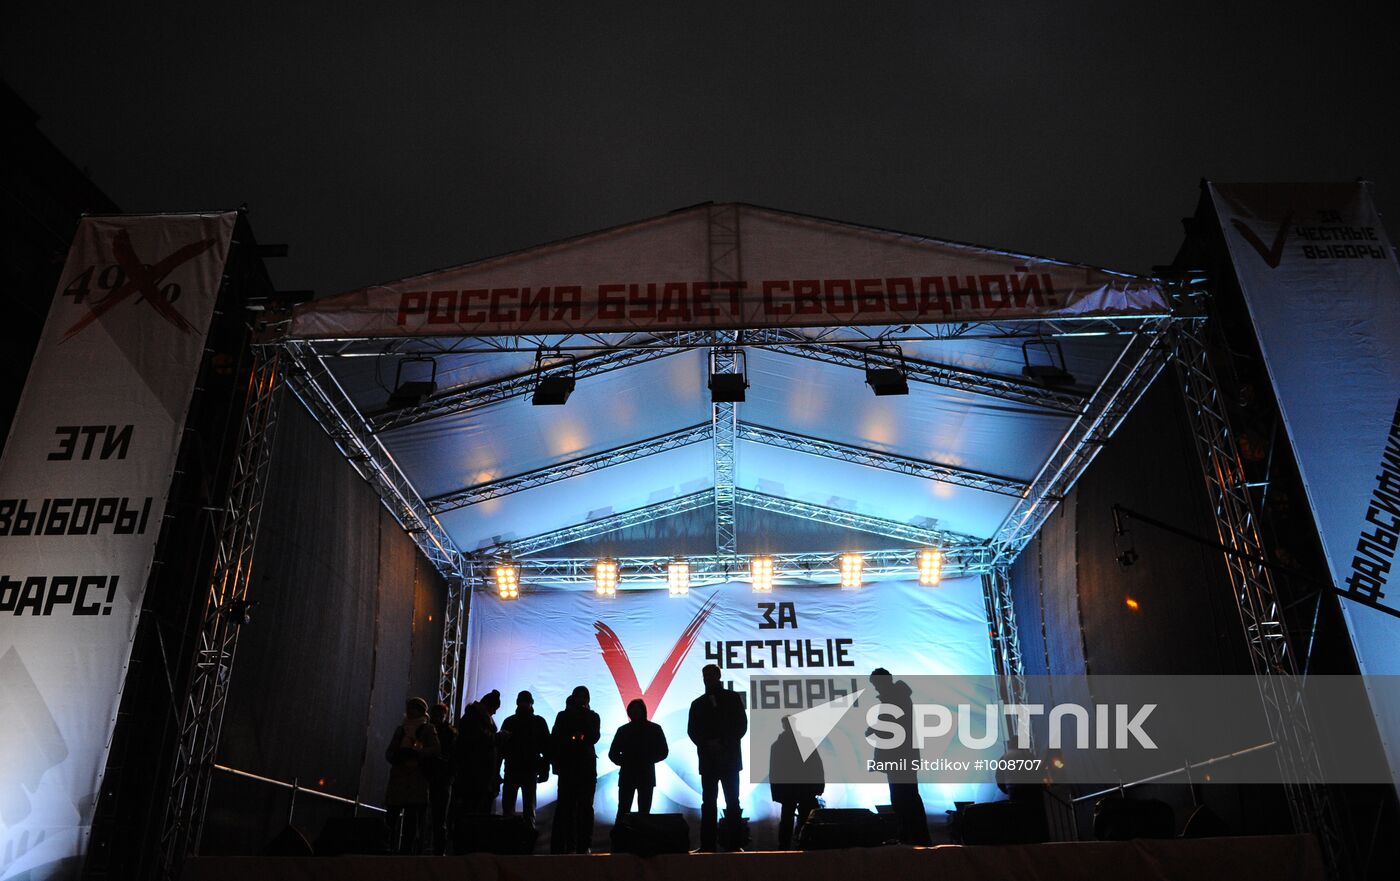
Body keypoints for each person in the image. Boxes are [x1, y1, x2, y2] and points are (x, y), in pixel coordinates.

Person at [687, 663, 747, 851]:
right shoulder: (697, 704)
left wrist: (723, 742)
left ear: (718, 676)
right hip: (709, 761)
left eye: (711, 674)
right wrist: (707, 744)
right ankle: (708, 844)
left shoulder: (732, 698)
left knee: (732, 801)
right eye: (705, 675)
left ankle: (734, 844)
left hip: (728, 759)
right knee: (709, 803)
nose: (707, 678)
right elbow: (692, 731)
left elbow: (741, 726)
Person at [868, 668, 930, 845]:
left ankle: (912, 837)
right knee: (907, 797)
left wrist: (875, 730)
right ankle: (915, 836)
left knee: (903, 799)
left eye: (876, 685)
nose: (876, 689)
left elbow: (893, 729)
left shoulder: (894, 699)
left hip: (898, 758)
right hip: (903, 757)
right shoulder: (900, 697)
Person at [384, 697, 441, 854]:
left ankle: (406, 851)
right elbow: (389, 752)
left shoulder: (427, 729)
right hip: (399, 777)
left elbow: (436, 749)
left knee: (411, 819)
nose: (410, 711)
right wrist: (397, 757)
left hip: (416, 778)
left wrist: (417, 754)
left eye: (413, 708)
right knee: (392, 818)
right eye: (409, 707)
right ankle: (388, 847)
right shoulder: (401, 729)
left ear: (421, 711)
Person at [550, 686, 601, 853]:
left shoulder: (592, 716)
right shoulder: (564, 716)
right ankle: (567, 845)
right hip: (569, 767)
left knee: (584, 808)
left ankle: (583, 844)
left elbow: (594, 737)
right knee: (567, 808)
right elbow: (556, 739)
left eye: (584, 696)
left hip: (584, 768)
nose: (582, 699)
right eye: (579, 696)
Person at [607, 698, 669, 819]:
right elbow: (612, 753)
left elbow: (664, 751)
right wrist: (629, 762)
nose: (635, 712)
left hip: (638, 774)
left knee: (638, 810)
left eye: (637, 709)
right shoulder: (651, 729)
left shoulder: (626, 730)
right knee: (627, 809)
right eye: (633, 710)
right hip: (636, 773)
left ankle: (623, 835)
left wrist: (627, 761)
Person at [769, 714, 823, 849]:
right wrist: (819, 785)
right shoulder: (805, 742)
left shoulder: (777, 745)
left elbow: (774, 770)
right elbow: (816, 765)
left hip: (789, 789)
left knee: (788, 818)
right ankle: (807, 844)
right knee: (806, 819)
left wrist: (776, 792)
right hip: (804, 788)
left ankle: (785, 848)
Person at [498, 690, 551, 827]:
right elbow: (546, 748)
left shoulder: (510, 722)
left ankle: (510, 838)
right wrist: (545, 769)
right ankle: (527, 838)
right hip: (527, 769)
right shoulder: (538, 722)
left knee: (510, 810)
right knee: (528, 810)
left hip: (515, 769)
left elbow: (501, 749)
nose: (524, 704)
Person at [454, 689, 502, 815]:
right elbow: (480, 739)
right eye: (494, 708)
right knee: (472, 811)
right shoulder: (474, 719)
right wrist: (498, 738)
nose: (495, 712)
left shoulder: (473, 717)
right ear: (488, 706)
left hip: (478, 774)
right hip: (475, 775)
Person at [426, 702, 456, 854]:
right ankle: (438, 851)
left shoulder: (425, 731)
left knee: (433, 816)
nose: (438, 718)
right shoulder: (450, 733)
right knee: (439, 817)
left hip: (432, 778)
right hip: (442, 779)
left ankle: (428, 848)